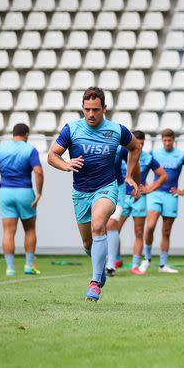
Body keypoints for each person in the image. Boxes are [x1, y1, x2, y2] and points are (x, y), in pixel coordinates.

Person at [47, 87, 141, 302]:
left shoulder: (117, 130)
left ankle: (95, 282)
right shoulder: (71, 129)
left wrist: (129, 175)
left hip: (107, 187)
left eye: (96, 110)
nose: (91, 114)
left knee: (99, 225)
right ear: (82, 108)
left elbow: (135, 148)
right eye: (87, 109)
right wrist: (66, 164)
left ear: (104, 108)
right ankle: (99, 268)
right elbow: (52, 156)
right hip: (80, 192)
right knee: (88, 243)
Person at [0, 123, 44, 276]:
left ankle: (10, 268)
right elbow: (38, 172)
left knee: (8, 232)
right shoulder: (30, 150)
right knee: (29, 229)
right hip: (24, 192)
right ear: (26, 134)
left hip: (6, 192)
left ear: (13, 134)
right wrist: (39, 192)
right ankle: (28, 266)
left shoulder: (0, 149)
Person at [105, 130, 167, 276]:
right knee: (114, 229)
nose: (138, 144)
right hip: (121, 195)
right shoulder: (122, 154)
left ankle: (135, 265)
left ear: (143, 143)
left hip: (139, 198)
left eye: (140, 142)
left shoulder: (147, 158)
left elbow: (163, 176)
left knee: (139, 232)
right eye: (135, 142)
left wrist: (148, 188)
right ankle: (114, 261)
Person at [142, 129, 184, 273]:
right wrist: (146, 185)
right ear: (162, 140)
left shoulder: (181, 155)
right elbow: (142, 168)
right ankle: (147, 259)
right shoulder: (155, 153)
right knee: (150, 226)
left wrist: (183, 191)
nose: (167, 143)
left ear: (174, 140)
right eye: (165, 140)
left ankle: (163, 265)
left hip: (171, 196)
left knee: (166, 231)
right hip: (155, 194)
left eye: (169, 140)